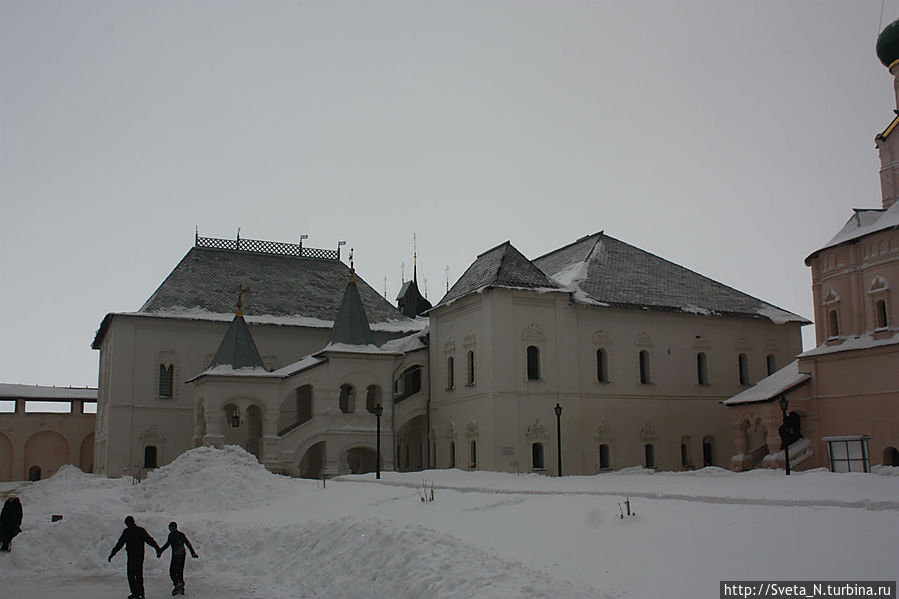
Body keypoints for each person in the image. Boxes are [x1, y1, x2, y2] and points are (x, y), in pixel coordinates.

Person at [108, 515, 161, 599]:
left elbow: (120, 544)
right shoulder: (135, 531)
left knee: (134, 575)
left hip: (135, 556)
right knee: (135, 575)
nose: (127, 525)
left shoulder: (132, 531)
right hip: (136, 556)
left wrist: (157, 548)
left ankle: (138, 593)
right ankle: (138, 593)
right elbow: (149, 540)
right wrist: (157, 548)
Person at [156, 521, 198, 596]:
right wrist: (193, 552)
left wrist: (160, 551)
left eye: (171, 528)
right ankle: (180, 586)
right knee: (180, 571)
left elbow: (167, 544)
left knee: (172, 571)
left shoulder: (171, 535)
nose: (170, 529)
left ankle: (177, 584)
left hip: (176, 555)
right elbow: (188, 543)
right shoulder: (181, 534)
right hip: (182, 554)